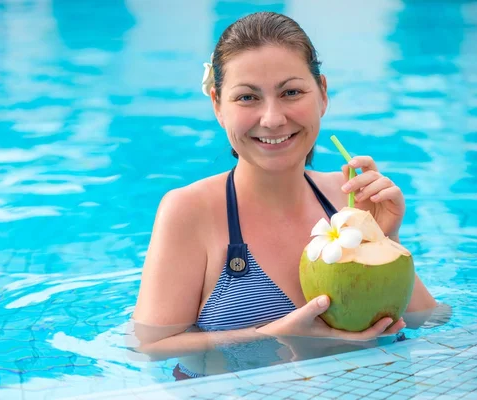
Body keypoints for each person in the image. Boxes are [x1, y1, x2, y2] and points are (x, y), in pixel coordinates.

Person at [132, 12, 437, 360]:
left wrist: (385, 242)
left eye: (291, 92)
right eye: (247, 98)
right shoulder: (190, 210)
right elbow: (150, 348)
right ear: (218, 105)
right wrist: (276, 336)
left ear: (322, 93)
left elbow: (428, 321)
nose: (273, 118)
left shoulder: (351, 198)